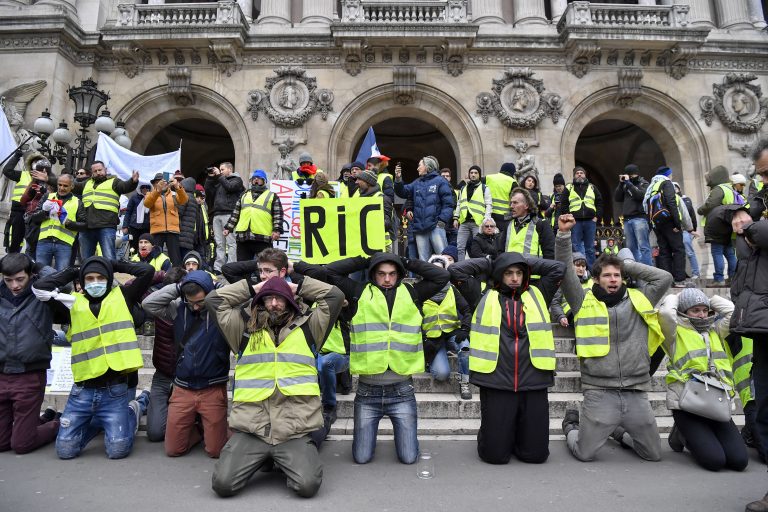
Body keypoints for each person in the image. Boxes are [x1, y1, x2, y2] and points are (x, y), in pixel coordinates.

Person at [207, 275, 344, 498]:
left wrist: (297, 286)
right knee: (223, 485)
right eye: (267, 298)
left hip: (293, 431)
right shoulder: (241, 328)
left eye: (279, 298)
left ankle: (281, 459)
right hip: (253, 430)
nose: (273, 303)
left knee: (308, 486)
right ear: (259, 301)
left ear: (290, 301)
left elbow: (334, 296)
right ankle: (268, 460)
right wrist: (253, 288)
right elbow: (214, 300)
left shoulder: (311, 327)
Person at [557, 213, 673, 463]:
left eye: (617, 275)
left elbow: (664, 278)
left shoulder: (639, 299)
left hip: (635, 391)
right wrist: (564, 235)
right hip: (599, 391)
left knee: (652, 454)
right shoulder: (582, 301)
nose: (613, 280)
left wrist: (624, 263)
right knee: (585, 453)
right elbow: (566, 273)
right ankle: (571, 425)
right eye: (607, 275)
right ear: (596, 279)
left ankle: (618, 434)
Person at [317, 253, 450, 464]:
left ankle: (402, 439)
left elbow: (442, 276)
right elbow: (331, 271)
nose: (387, 279)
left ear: (399, 275)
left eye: (392, 273)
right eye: (381, 274)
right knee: (361, 458)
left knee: (408, 458)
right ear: (373, 274)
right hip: (367, 392)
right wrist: (365, 260)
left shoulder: (412, 292)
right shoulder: (359, 292)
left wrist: (404, 260)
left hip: (402, 390)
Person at [449, 251, 565, 464]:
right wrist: (492, 261)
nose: (514, 278)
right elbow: (456, 270)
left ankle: (519, 438)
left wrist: (522, 259)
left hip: (533, 378)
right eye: (508, 272)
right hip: (496, 380)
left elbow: (558, 268)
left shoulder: (539, 293)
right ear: (499, 274)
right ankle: (498, 437)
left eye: (519, 273)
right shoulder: (482, 295)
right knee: (495, 456)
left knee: (536, 456)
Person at [33, 256, 154, 459]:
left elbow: (147, 271)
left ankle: (133, 408)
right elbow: (39, 289)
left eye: (100, 277)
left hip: (115, 390)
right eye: (89, 278)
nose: (95, 282)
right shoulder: (72, 304)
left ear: (108, 279)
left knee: (117, 450)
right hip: (83, 391)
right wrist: (75, 270)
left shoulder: (123, 296)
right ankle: (99, 422)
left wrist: (111, 264)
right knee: (65, 451)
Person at [142, 270, 231, 458]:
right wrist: (178, 287)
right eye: (191, 302)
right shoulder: (177, 308)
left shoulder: (222, 310)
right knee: (173, 450)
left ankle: (214, 432)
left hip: (212, 387)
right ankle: (199, 432)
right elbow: (148, 304)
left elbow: (245, 300)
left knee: (215, 451)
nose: (196, 307)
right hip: (183, 388)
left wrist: (216, 288)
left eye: (200, 302)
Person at [657, 288, 748, 472]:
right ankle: (683, 434)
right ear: (683, 311)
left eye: (705, 310)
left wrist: (710, 299)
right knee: (714, 461)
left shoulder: (716, 330)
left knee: (739, 461)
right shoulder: (673, 333)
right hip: (688, 404)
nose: (701, 315)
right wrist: (678, 297)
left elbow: (733, 313)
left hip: (715, 404)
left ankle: (697, 434)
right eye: (695, 310)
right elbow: (666, 312)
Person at [729, 139, 768, 511]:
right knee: (766, 404)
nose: (765, 181)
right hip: (761, 319)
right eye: (761, 176)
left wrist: (751, 227)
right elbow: (744, 247)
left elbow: (755, 236)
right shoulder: (759, 203)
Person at [0, 253, 64, 454]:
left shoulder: (42, 294)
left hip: (29, 375)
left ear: (30, 274)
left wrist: (37, 266)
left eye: (20, 279)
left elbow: (65, 283)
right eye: (8, 280)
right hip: (2, 375)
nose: (14, 285)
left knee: (21, 444)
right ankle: (40, 420)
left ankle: (59, 424)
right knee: (1, 444)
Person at [139, 267, 186, 442]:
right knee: (155, 433)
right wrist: (161, 276)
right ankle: (143, 400)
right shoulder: (161, 309)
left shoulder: (195, 309)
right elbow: (137, 292)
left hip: (188, 381)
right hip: (163, 377)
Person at [422, 254, 472, 399]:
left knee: (465, 347)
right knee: (442, 374)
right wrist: (423, 339)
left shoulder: (452, 290)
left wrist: (465, 328)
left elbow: (466, 310)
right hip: (432, 339)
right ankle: (430, 360)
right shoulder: (421, 290)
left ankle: (464, 383)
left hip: (452, 333)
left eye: (441, 271)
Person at [394, 155, 454, 261]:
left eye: (419, 166)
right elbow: (402, 192)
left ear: (427, 166)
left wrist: (441, 222)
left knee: (443, 258)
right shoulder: (417, 182)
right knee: (423, 261)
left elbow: (448, 204)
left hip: (436, 227)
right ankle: (426, 278)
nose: (417, 168)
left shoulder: (440, 181)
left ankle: (446, 278)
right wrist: (398, 178)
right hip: (420, 229)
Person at [77, 161, 140, 261]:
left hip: (106, 226)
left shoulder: (114, 182)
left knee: (109, 259)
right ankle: (86, 276)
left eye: (100, 170)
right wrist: (50, 179)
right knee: (86, 260)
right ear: (92, 173)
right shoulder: (86, 183)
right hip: (87, 226)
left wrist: (133, 181)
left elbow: (125, 186)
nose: (98, 172)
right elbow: (71, 186)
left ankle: (109, 276)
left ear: (105, 170)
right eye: (95, 171)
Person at [2, 150, 58, 254]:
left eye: (40, 162)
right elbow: (7, 171)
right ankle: (13, 260)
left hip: (37, 213)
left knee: (32, 243)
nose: (37, 164)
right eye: (35, 162)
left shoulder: (50, 179)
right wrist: (17, 156)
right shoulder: (23, 174)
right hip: (18, 211)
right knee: (15, 240)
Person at [30, 173, 86, 271]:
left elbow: (84, 225)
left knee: (61, 276)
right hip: (44, 241)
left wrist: (69, 223)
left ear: (72, 186)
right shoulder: (47, 196)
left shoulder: (77, 202)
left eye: (65, 186)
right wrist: (46, 213)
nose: (61, 188)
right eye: (59, 185)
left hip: (64, 244)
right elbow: (33, 217)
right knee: (41, 273)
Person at [224, 169, 283, 262]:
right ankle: (244, 277)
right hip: (243, 237)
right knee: (242, 266)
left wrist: (277, 230)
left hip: (262, 237)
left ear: (264, 181)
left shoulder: (272, 196)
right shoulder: (243, 195)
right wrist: (228, 228)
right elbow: (236, 213)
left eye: (259, 178)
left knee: (265, 265)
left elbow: (278, 215)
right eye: (254, 178)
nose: (256, 180)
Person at [698, 165, 743, 284]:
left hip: (717, 225)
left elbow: (710, 205)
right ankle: (733, 278)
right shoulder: (730, 188)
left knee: (717, 252)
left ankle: (719, 279)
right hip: (727, 224)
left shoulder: (719, 189)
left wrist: (700, 210)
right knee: (729, 252)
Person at [644, 166, 687, 287]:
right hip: (669, 221)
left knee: (664, 251)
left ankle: (667, 281)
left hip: (657, 223)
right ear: (668, 174)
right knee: (678, 250)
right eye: (671, 174)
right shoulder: (666, 183)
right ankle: (679, 279)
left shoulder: (652, 186)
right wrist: (677, 223)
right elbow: (671, 202)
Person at [205, 162, 244, 273]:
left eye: (222, 169)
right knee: (219, 243)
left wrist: (219, 176)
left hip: (229, 214)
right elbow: (208, 192)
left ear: (230, 169)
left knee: (231, 242)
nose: (220, 171)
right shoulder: (220, 182)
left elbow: (230, 187)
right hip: (217, 214)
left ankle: (231, 266)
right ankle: (218, 267)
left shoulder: (237, 180)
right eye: (220, 170)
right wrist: (210, 178)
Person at [561, 166, 603, 269]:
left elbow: (599, 202)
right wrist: (570, 217)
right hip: (575, 222)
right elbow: (564, 204)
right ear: (574, 176)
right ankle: (580, 270)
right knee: (576, 246)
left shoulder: (592, 187)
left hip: (590, 221)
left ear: (585, 175)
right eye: (577, 173)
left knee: (590, 248)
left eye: (581, 173)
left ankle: (591, 271)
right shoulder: (569, 188)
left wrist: (597, 216)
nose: (579, 174)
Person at [496, 187, 554, 260]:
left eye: (515, 203)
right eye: (511, 203)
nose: (511, 206)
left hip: (533, 271)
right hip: (511, 270)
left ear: (526, 205)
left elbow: (549, 254)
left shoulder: (541, 224)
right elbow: (501, 251)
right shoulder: (508, 225)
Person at [144, 172, 188, 266]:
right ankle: (154, 274)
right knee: (155, 255)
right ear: (154, 184)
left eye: (163, 182)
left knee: (175, 256)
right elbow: (147, 204)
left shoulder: (173, 194)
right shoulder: (150, 194)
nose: (161, 184)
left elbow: (184, 200)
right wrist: (157, 191)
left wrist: (177, 186)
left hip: (172, 229)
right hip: (157, 230)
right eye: (158, 182)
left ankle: (177, 275)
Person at [614, 164, 652, 265]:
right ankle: (637, 273)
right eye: (628, 176)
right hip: (627, 220)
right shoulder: (626, 185)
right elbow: (617, 198)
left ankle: (648, 271)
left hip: (640, 218)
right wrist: (621, 184)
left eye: (631, 176)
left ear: (636, 174)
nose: (630, 178)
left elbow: (640, 196)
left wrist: (628, 183)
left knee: (643, 247)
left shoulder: (644, 183)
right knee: (631, 248)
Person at [454, 165, 492, 260]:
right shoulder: (463, 188)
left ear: (479, 175)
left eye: (475, 173)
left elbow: (489, 205)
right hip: (464, 222)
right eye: (471, 173)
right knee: (460, 247)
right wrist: (456, 218)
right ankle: (461, 268)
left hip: (478, 222)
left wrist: (486, 219)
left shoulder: (484, 188)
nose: (473, 175)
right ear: (469, 175)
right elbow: (459, 204)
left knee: (478, 247)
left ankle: (477, 268)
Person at [353, 169, 394, 251]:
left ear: (368, 183)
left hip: (381, 247)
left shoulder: (382, 198)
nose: (356, 182)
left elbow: (387, 224)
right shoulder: (360, 198)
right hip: (364, 246)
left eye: (359, 179)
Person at [550, 251, 590, 328]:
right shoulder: (563, 281)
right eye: (578, 265)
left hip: (588, 314)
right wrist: (561, 316)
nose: (581, 269)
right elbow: (555, 302)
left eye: (583, 266)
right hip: (570, 315)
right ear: (571, 266)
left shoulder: (591, 281)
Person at [673, 181, 701, 280]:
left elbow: (691, 215)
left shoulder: (686, 199)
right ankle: (681, 274)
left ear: (679, 188)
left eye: (675, 188)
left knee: (689, 252)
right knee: (678, 253)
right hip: (675, 230)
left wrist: (693, 229)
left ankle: (696, 273)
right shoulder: (670, 200)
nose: (674, 190)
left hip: (685, 230)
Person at [484, 163, 518, 227]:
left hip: (488, 213)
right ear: (512, 172)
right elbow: (515, 201)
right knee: (503, 235)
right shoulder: (513, 182)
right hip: (504, 216)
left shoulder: (488, 177)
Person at [178, 177, 204, 261]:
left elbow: (179, 213)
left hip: (181, 234)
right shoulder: (193, 199)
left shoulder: (185, 197)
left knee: (179, 258)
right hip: (189, 236)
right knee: (186, 258)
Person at [122, 183, 151, 256]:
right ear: (140, 189)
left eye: (147, 187)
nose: (145, 189)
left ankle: (144, 262)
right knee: (133, 246)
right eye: (143, 187)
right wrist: (125, 226)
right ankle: (132, 261)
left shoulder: (152, 198)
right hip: (134, 226)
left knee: (145, 246)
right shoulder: (134, 197)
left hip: (147, 227)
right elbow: (128, 212)